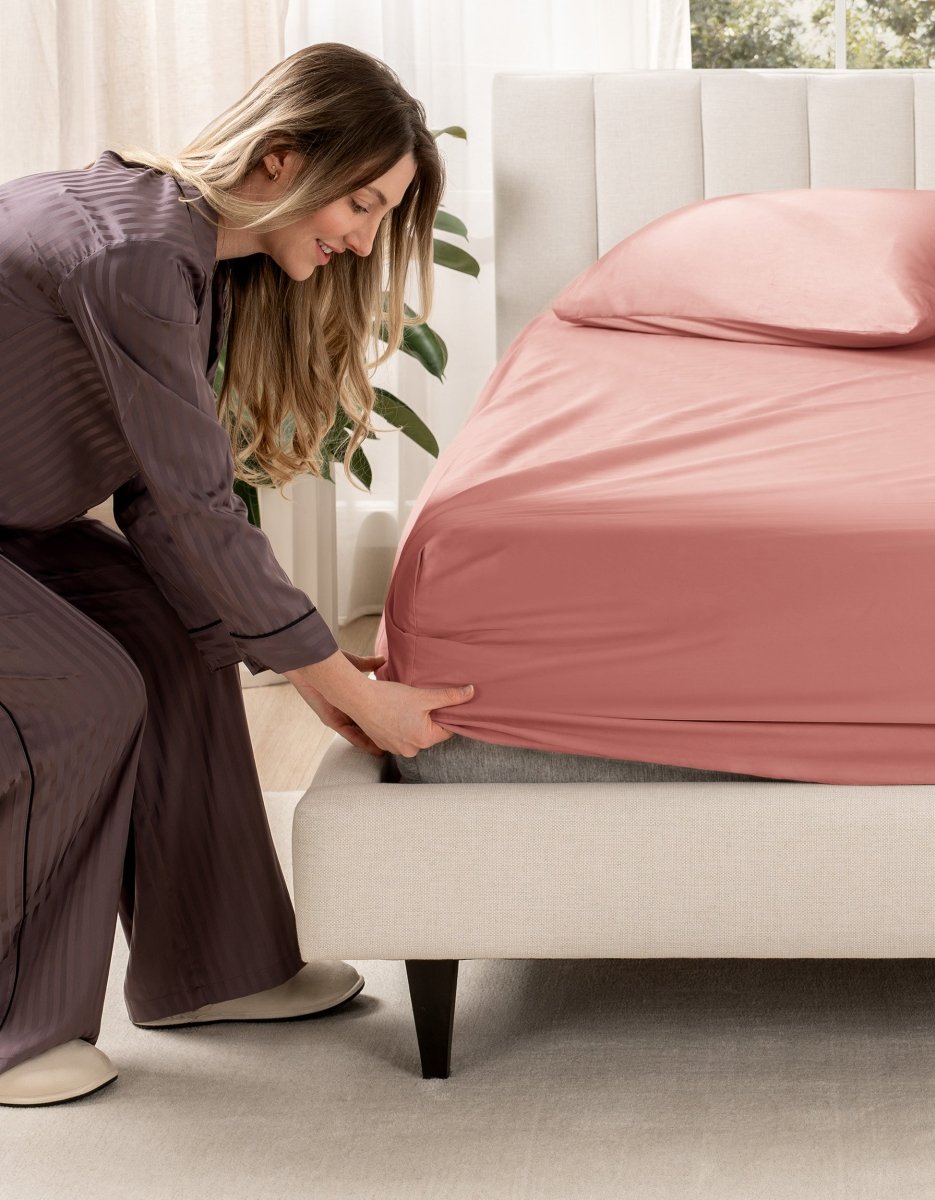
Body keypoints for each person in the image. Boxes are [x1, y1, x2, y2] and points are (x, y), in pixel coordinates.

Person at [0, 42, 474, 1106]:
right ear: (279, 158)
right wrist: (349, 693)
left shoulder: (185, 258)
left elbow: (162, 509)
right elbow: (195, 509)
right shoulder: (130, 255)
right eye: (359, 205)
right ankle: (14, 1028)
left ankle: (215, 967)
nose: (360, 242)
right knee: (82, 696)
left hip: (15, 526)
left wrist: (305, 660)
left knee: (180, 636)